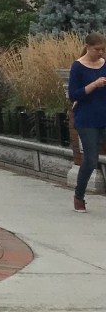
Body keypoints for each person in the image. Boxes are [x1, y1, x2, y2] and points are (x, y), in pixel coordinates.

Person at [69, 33, 106, 212]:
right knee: (91, 160)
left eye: (102, 49)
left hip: (104, 116)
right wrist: (93, 85)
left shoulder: (105, 64)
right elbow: (73, 95)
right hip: (87, 119)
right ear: (88, 47)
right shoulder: (78, 67)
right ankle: (79, 196)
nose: (100, 53)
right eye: (97, 49)